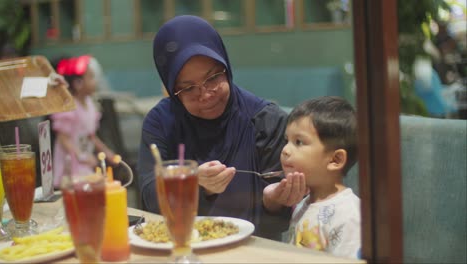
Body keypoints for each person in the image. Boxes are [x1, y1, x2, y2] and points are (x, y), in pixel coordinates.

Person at [137, 15, 306, 240]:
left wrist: (274, 201)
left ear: (226, 66)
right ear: (172, 89)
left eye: (213, 77)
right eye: (188, 89)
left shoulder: (265, 120)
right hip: (181, 246)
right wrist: (194, 183)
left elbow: (276, 222)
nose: (205, 94)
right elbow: (150, 197)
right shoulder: (161, 122)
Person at [263, 96, 361, 259]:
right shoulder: (302, 203)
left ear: (335, 160)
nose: (285, 150)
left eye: (299, 142)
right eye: (286, 141)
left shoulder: (350, 215)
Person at [51, 55, 115, 188]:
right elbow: (64, 139)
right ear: (78, 83)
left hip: (84, 162)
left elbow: (91, 135)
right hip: (70, 163)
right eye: (91, 77)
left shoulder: (90, 105)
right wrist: (81, 156)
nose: (95, 81)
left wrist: (108, 153)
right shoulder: (68, 107)